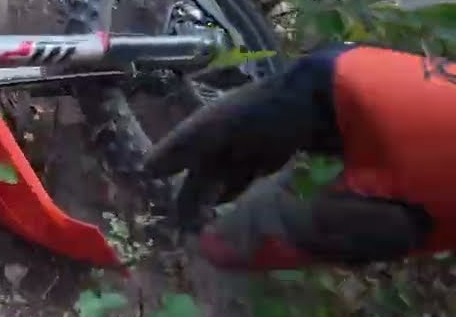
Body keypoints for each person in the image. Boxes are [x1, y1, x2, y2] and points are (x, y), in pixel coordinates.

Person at [143, 43, 456, 270]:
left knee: (235, 144)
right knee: (227, 230)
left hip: (352, 71)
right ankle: (184, 230)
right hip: (352, 87)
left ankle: (175, 214)